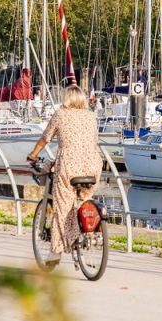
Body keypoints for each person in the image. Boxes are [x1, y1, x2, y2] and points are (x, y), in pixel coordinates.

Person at [26, 85, 102, 256]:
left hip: (69, 166)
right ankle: (84, 230)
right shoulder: (91, 116)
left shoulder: (60, 114)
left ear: (66, 98)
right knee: (83, 198)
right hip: (92, 165)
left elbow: (46, 137)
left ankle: (58, 249)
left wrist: (33, 154)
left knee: (62, 206)